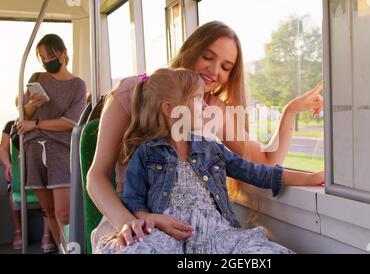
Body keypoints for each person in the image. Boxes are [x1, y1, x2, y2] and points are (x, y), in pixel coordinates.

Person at [87, 21, 323, 252]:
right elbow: (97, 176)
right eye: (208, 57)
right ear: (191, 50)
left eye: (226, 67)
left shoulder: (217, 112)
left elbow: (264, 163)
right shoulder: (137, 90)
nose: (214, 70)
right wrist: (130, 221)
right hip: (136, 224)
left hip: (208, 234)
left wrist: (290, 111)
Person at [16, 34, 87, 247]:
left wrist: (36, 123)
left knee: (64, 213)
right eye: (43, 58)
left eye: (50, 56)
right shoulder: (37, 78)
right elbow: (23, 116)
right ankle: (63, 250)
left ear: (63, 53)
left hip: (61, 151)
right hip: (34, 150)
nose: (47, 61)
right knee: (48, 211)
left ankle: (73, 249)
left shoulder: (77, 85)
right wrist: (32, 107)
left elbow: (72, 121)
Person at [0, 120, 57, 252]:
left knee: (50, 187)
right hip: (18, 173)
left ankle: (46, 236)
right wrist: (8, 165)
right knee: (12, 189)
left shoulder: (43, 122)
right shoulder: (11, 125)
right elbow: (3, 148)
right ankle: (18, 232)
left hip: (43, 168)